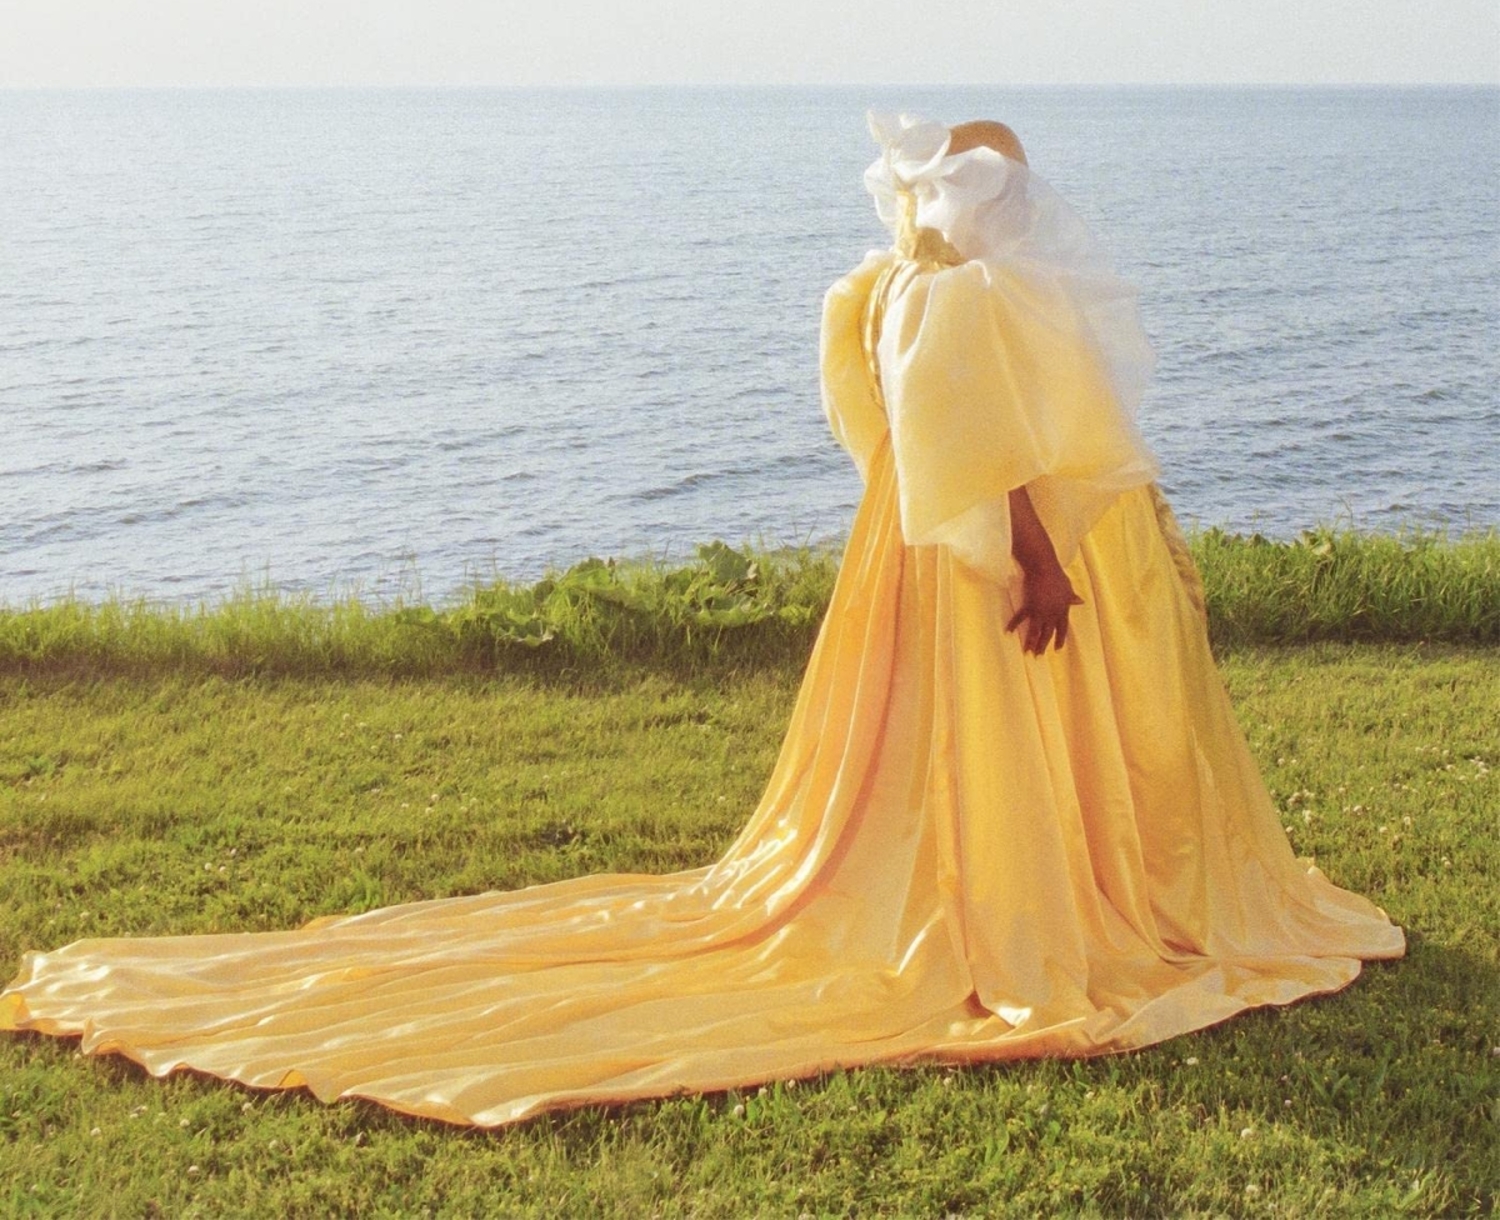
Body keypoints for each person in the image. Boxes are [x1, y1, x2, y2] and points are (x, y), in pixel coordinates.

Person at [0, 113, 1404, 1128]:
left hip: (909, 556)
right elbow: (991, 457)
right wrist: (1043, 565)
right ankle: (1023, 898)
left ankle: (996, 868)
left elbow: (892, 435)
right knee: (1008, 728)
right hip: (989, 560)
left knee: (936, 747)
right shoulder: (965, 300)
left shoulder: (892, 285)